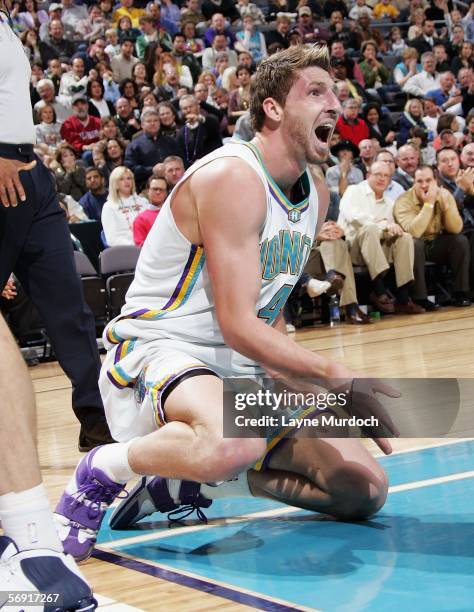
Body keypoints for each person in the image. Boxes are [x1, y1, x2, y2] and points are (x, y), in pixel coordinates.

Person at [54, 44, 396, 562]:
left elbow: (268, 309)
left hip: (237, 369)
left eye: (337, 92)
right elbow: (237, 325)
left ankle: (193, 482)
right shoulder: (233, 176)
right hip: (162, 348)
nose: (335, 103)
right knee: (236, 440)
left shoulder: (317, 192)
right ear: (273, 109)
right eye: (316, 91)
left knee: (362, 488)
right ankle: (106, 468)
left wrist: (306, 384)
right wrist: (335, 376)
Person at [0, 4, 113, 452]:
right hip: (2, 170)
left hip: (31, 175)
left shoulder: (5, 22)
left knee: (69, 307)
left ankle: (97, 421)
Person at [0, 312, 96, 607]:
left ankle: (35, 550)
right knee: (225, 450)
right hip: (177, 350)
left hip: (226, 368)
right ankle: (108, 466)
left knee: (231, 449)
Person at [337, 162, 424, 315]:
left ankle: (403, 298)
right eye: (378, 174)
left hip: (379, 252)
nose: (382, 179)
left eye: (386, 176)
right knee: (369, 228)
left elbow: (389, 230)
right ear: (368, 175)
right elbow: (353, 217)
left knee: (404, 237)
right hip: (352, 250)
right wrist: (383, 224)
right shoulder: (354, 191)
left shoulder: (390, 204)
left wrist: (393, 229)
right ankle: (379, 290)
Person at [394, 165, 471, 308]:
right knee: (415, 244)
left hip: (435, 243)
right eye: (419, 181)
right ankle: (420, 298)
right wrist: (428, 204)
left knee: (460, 241)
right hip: (413, 245)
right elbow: (414, 232)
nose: (424, 185)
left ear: (435, 181)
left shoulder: (445, 194)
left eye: (428, 180)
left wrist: (447, 207)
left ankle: (461, 293)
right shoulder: (403, 201)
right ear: (413, 182)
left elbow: (456, 229)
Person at [101, 165, 148, 246]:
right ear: (115, 183)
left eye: (129, 178)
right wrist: (134, 245)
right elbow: (112, 239)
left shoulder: (144, 202)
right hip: (126, 250)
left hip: (148, 247)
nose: (126, 182)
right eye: (121, 179)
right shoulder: (109, 207)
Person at [133, 175, 168, 246]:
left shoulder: (173, 215)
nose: (158, 192)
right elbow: (140, 246)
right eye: (155, 189)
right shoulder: (140, 219)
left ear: (166, 193)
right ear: (148, 191)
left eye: (161, 189)